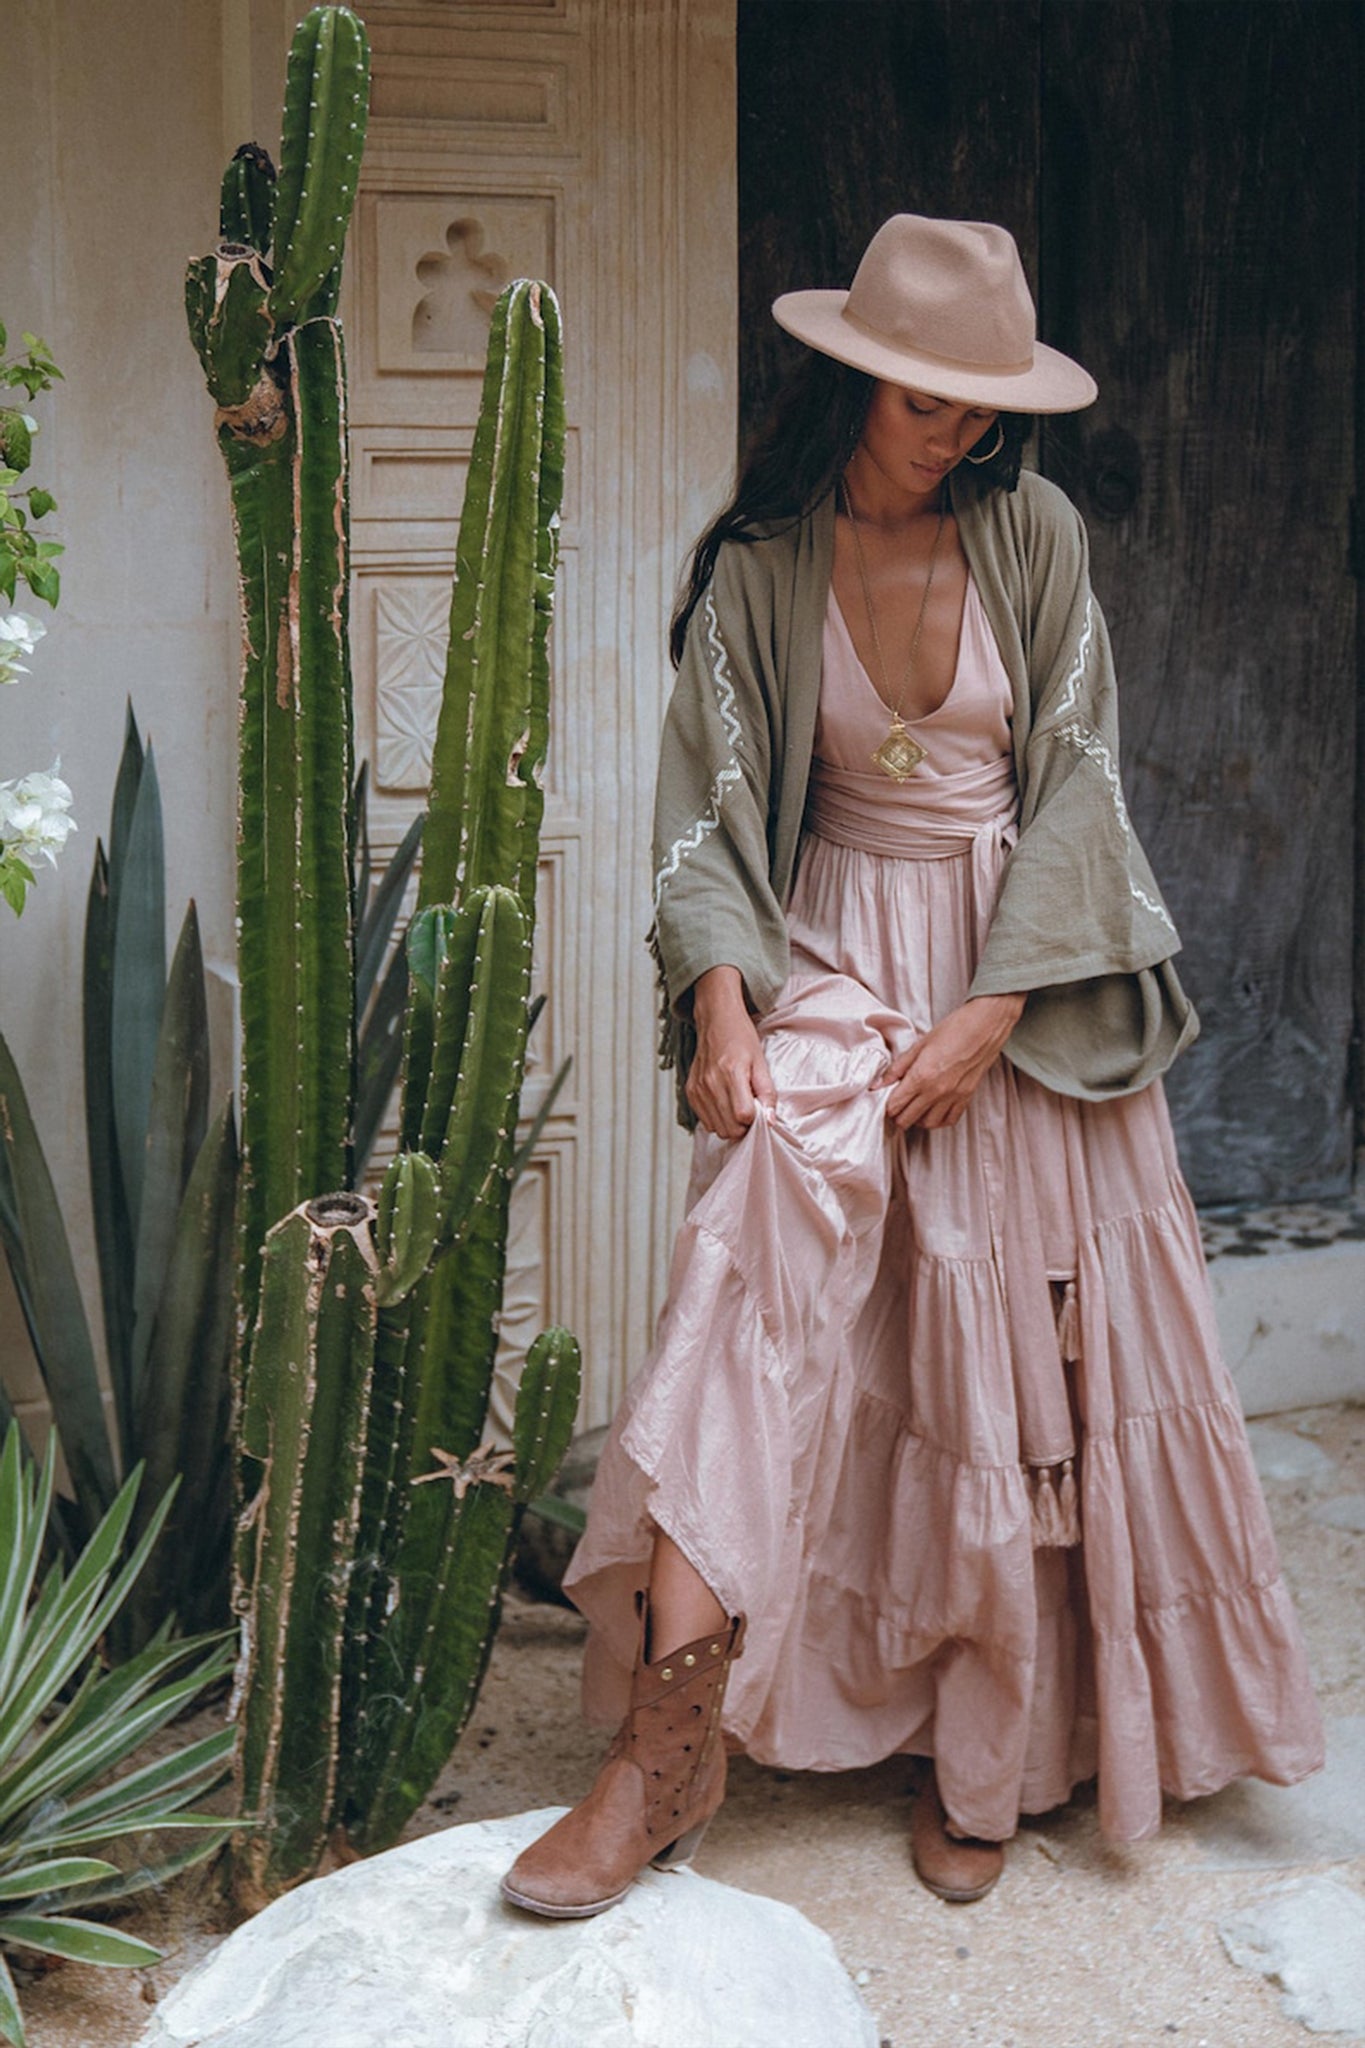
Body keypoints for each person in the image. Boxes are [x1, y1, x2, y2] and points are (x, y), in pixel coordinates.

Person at [501, 213, 1324, 1918]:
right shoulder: (757, 568)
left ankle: (994, 1754)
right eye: (926, 400)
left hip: (1011, 964)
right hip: (823, 951)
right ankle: (660, 1757)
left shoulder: (1033, 535)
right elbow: (703, 818)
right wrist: (722, 1000)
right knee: (746, 1281)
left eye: (979, 404)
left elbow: (1080, 778)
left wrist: (997, 1008)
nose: (956, 429)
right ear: (856, 376)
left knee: (1001, 1362)